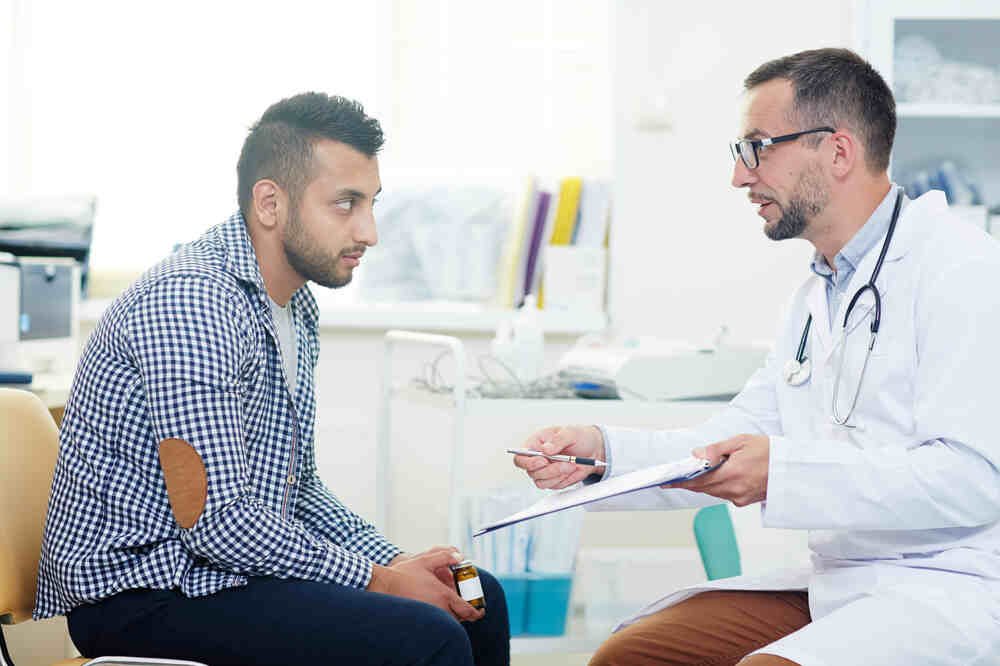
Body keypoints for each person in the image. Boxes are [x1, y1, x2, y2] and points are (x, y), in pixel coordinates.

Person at [515, 48, 1000, 665]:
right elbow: (729, 441)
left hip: (948, 588)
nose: (740, 177)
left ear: (839, 151)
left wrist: (784, 472)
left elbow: (972, 480)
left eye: (758, 148)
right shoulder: (816, 293)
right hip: (838, 583)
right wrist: (600, 453)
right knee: (630, 657)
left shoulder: (964, 272)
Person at [35, 92, 509, 666]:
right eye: (345, 204)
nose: (370, 232)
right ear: (269, 203)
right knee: (427, 637)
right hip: (143, 595)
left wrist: (398, 563)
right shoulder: (193, 301)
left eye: (372, 204)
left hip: (224, 574)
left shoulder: (293, 308)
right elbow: (218, 522)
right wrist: (380, 581)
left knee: (477, 595)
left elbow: (299, 487)